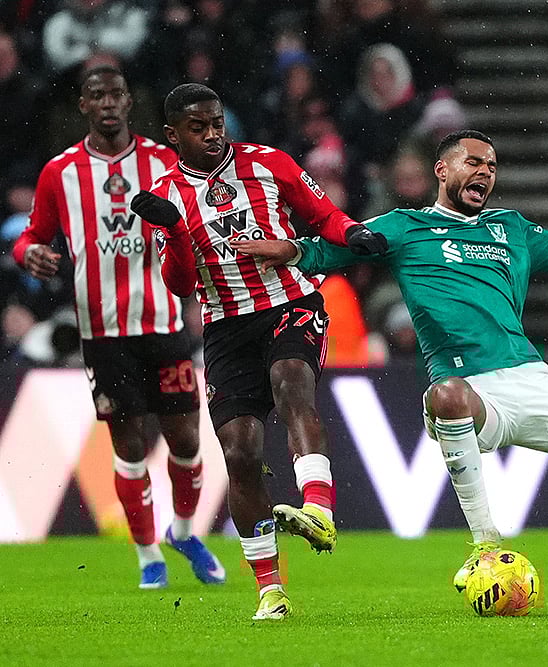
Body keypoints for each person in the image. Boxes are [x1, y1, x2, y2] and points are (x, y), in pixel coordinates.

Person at [231, 129, 548, 610]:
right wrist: (293, 250)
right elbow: (332, 249)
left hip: (533, 380)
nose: (484, 173)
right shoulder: (403, 226)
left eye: (491, 166)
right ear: (441, 169)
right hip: (470, 389)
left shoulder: (510, 228)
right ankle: (485, 545)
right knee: (445, 395)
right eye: (473, 162)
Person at [128, 82, 388, 620]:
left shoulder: (269, 163)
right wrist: (174, 231)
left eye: (217, 122)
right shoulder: (166, 193)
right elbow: (178, 284)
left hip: (288, 303)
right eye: (197, 128)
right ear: (173, 135)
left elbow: (322, 214)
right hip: (225, 327)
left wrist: (354, 231)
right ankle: (270, 589)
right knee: (241, 453)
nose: (212, 134)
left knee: (292, 382)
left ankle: (318, 506)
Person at [11, 65, 224, 590]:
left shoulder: (162, 161)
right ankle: (148, 554)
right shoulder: (59, 172)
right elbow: (31, 237)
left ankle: (183, 531)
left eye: (117, 94)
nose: (108, 103)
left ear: (130, 103)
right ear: (83, 106)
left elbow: (198, 217)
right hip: (102, 333)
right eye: (97, 95)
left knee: (186, 443)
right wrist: (29, 253)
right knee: (129, 449)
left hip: (164, 322)